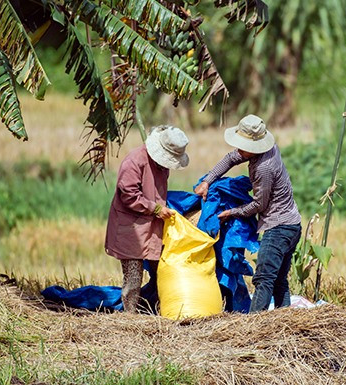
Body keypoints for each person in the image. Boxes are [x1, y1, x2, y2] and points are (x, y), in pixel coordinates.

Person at [194, 114, 301, 312]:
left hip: (279, 228)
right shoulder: (264, 149)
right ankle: (285, 319)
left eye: (243, 146)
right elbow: (231, 158)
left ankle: (254, 326)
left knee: (264, 278)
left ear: (254, 148)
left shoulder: (264, 168)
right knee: (278, 280)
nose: (239, 149)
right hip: (292, 223)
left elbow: (259, 204)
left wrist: (231, 212)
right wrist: (207, 181)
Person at [105, 125, 189, 313]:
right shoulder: (134, 162)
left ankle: (161, 311)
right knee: (133, 279)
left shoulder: (161, 166)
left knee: (162, 272)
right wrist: (156, 208)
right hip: (131, 227)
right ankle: (131, 318)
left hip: (152, 225)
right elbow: (129, 195)